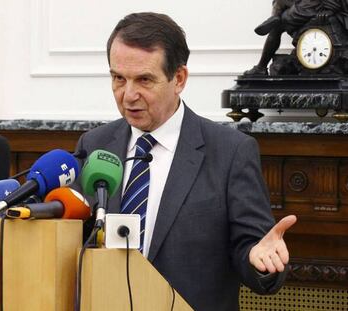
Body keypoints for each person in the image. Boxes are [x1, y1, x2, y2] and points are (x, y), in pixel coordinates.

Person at [75, 12, 297, 310]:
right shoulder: (95, 145)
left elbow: (253, 249)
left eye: (144, 80)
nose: (128, 95)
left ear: (178, 79)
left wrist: (261, 260)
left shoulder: (231, 152)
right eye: (118, 78)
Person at [245, 0, 343, 75]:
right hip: (309, 4)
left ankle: (261, 67)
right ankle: (275, 17)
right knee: (280, 1)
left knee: (276, 28)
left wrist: (330, 10)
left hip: (313, 6)